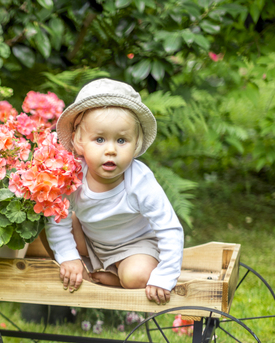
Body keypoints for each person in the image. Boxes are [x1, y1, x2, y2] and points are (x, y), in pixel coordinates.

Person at [44, 78, 183, 305]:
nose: (110, 150)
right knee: (54, 223)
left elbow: (169, 229)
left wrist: (164, 277)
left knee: (138, 276)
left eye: (121, 140)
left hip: (136, 244)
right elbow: (57, 218)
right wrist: (68, 257)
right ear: (79, 142)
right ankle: (91, 265)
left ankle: (118, 278)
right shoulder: (73, 174)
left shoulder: (139, 180)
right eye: (99, 139)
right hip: (92, 240)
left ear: (136, 143)